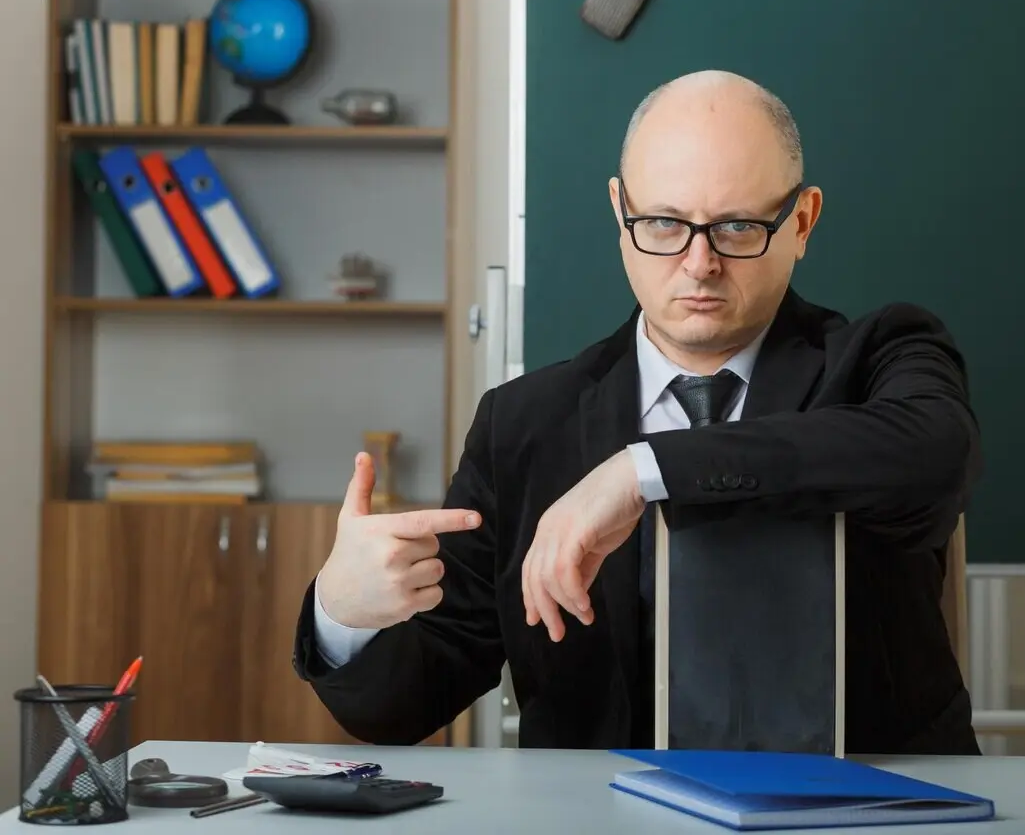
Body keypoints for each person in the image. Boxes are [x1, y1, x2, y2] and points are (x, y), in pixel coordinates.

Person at [292, 69, 983, 755]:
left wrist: (640, 472)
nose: (699, 263)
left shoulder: (882, 359)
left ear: (801, 222)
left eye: (738, 227)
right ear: (621, 213)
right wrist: (341, 613)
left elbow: (936, 454)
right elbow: (406, 704)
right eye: (663, 223)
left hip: (864, 818)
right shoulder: (525, 424)